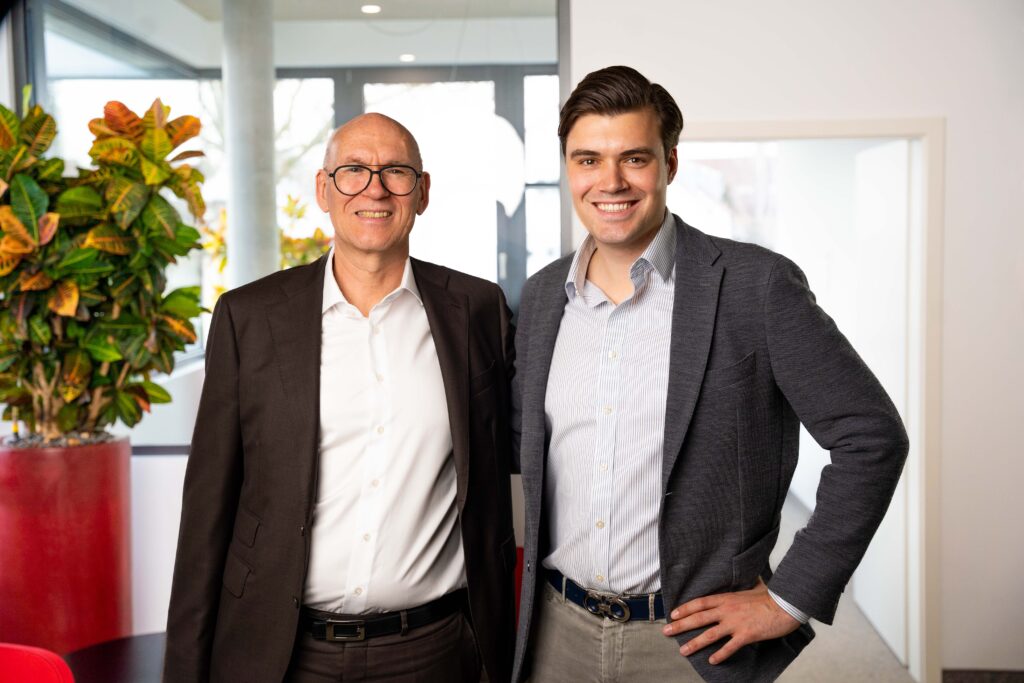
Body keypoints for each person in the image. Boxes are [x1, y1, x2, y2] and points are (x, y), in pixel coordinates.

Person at [510, 66, 909, 682]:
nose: (610, 182)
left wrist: (789, 597)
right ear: (568, 168)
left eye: (634, 158)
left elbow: (871, 436)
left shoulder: (757, 286)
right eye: (588, 160)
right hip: (555, 634)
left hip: (690, 646)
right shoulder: (541, 298)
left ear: (669, 163)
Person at [164, 113, 517, 683]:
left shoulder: (477, 310)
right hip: (281, 654)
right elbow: (207, 515)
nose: (374, 189)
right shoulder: (248, 317)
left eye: (395, 171)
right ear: (323, 189)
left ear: (422, 192)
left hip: (434, 651)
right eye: (353, 170)